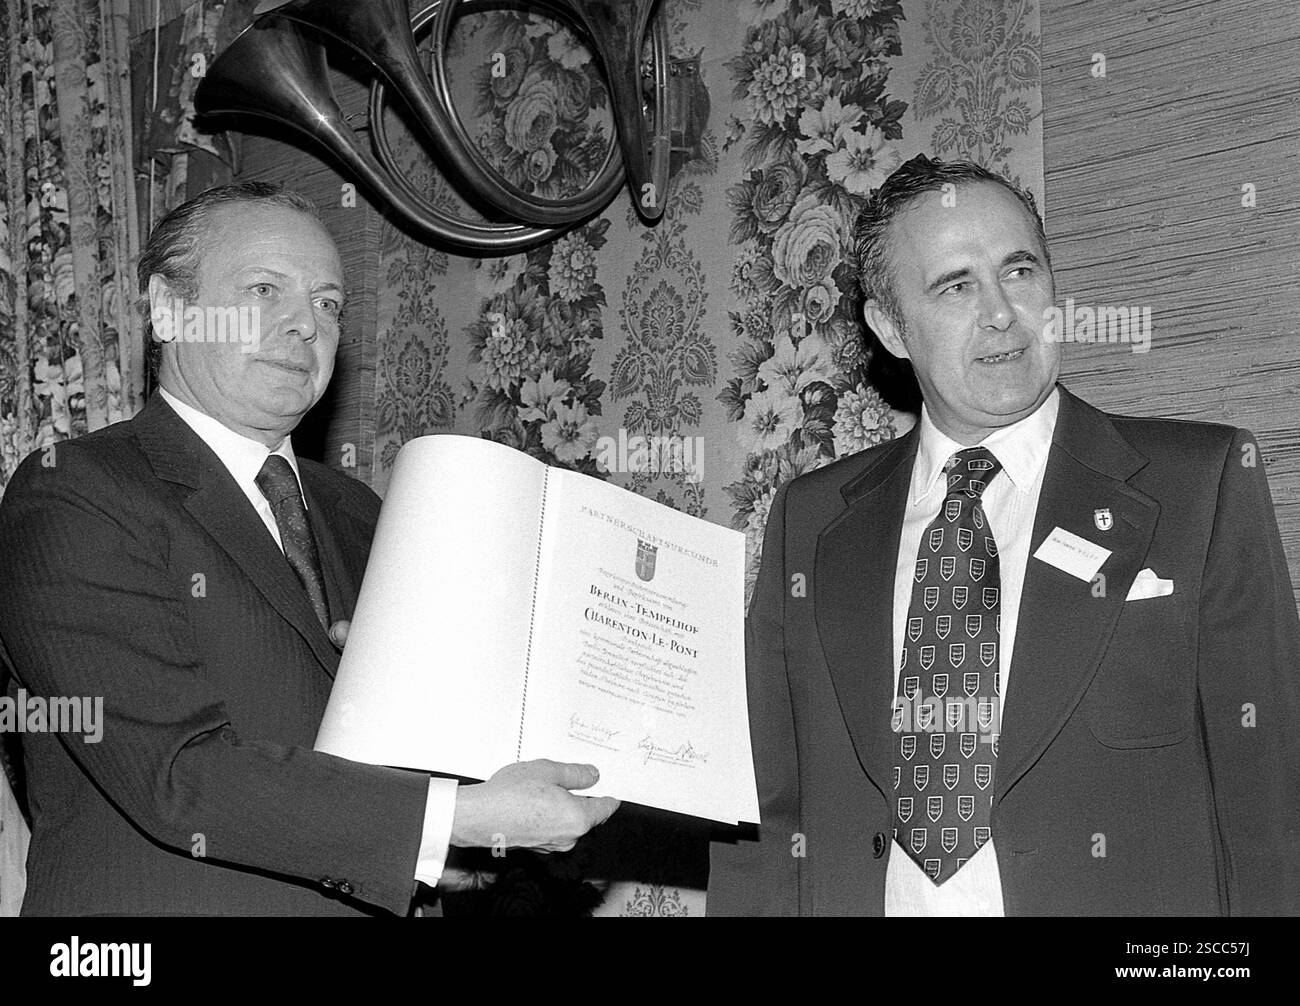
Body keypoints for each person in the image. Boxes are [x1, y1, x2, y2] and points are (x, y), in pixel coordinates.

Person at [0, 182, 618, 916]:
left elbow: (388, 769)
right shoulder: (74, 492)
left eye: (327, 304)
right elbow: (177, 775)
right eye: (265, 289)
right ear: (167, 310)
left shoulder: (360, 512)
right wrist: (457, 817)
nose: (304, 325)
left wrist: (460, 842)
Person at [708, 155, 1300, 916]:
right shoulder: (812, 519)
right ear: (890, 327)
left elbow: (1273, 806)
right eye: (956, 286)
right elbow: (766, 804)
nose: (1000, 312)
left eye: (1020, 272)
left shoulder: (1200, 484)